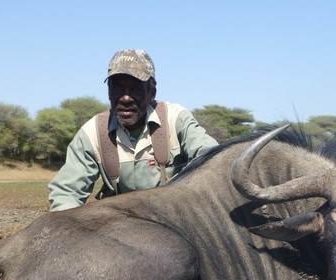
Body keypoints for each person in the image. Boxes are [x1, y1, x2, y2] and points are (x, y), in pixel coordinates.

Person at [48, 49, 218, 211]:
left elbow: (214, 160)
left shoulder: (176, 118)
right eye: (117, 88)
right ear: (108, 92)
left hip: (173, 221)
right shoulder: (93, 132)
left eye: (136, 89)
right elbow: (65, 193)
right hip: (119, 226)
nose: (126, 98)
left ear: (152, 93)